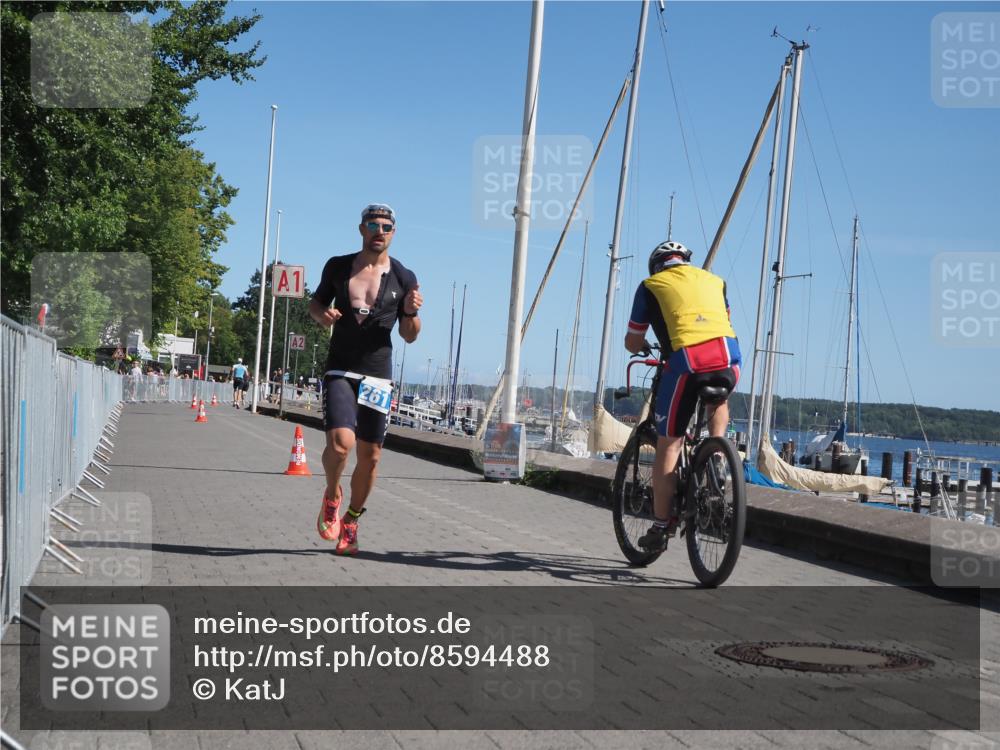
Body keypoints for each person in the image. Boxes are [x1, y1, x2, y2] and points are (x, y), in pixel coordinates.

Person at [308, 203, 422, 555]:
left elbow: (410, 335)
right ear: (361, 229)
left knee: (370, 457)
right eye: (373, 225)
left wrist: (411, 312)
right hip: (341, 368)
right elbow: (315, 304)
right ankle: (332, 495)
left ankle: (353, 519)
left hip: (377, 376)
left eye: (386, 227)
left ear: (393, 233)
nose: (379, 232)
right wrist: (322, 316)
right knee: (341, 444)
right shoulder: (339, 266)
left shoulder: (404, 278)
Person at [623, 241, 741, 553]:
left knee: (670, 443)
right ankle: (718, 453)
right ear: (685, 261)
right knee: (719, 398)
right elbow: (722, 320)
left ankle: (661, 525)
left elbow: (634, 341)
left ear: (657, 265)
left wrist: (639, 346)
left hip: (688, 362)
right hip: (729, 358)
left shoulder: (650, 286)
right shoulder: (715, 281)